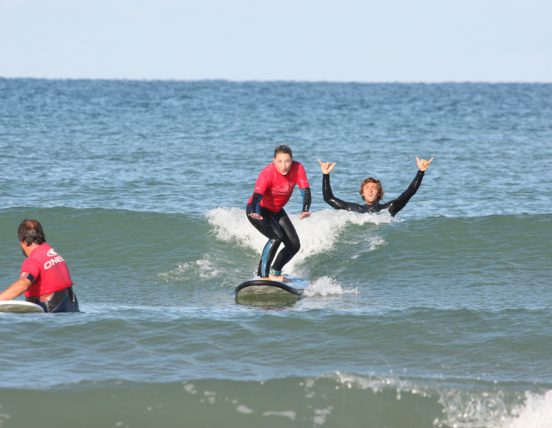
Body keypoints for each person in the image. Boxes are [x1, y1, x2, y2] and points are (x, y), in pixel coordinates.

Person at [246, 145, 311, 281]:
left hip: (276, 210)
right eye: (280, 161)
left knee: (294, 244)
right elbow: (257, 197)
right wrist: (254, 212)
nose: (284, 166)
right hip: (258, 209)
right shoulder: (267, 173)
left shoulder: (298, 168)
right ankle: (262, 276)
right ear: (273, 161)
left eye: (287, 161)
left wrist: (305, 209)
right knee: (276, 237)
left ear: (292, 160)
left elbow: (305, 191)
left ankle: (275, 272)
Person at [0, 219, 80, 312]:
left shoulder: (33, 260)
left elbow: (23, 284)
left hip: (51, 314)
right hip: (71, 310)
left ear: (24, 242)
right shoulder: (53, 254)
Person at [318, 156, 433, 216]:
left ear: (379, 192)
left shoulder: (388, 208)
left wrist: (420, 172)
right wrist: (325, 175)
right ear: (362, 192)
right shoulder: (353, 209)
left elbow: (409, 193)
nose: (370, 190)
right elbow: (328, 198)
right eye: (367, 188)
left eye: (374, 187)